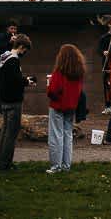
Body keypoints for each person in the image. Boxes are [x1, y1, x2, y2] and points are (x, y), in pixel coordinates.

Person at [0, 32, 35, 172]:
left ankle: (1, 162)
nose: (24, 52)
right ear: (21, 46)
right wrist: (27, 81)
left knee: (4, 133)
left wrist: (24, 80)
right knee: (11, 135)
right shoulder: (13, 59)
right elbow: (15, 81)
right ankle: (6, 165)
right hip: (13, 102)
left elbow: (8, 79)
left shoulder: (4, 57)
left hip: (4, 100)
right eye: (25, 50)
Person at [45, 44, 87, 174]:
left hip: (57, 106)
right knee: (68, 135)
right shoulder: (79, 73)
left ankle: (56, 166)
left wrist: (48, 86)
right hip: (71, 107)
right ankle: (66, 165)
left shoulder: (59, 72)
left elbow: (52, 91)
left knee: (56, 136)